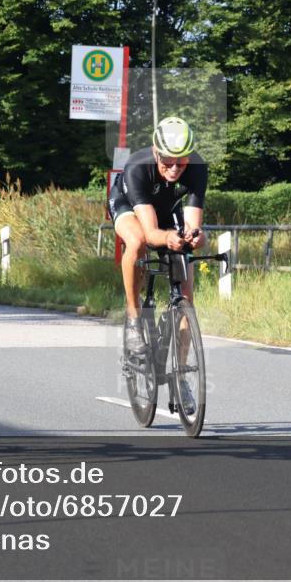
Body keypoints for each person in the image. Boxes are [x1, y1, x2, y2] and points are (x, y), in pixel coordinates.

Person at [108, 117, 207, 410]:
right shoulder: (138, 168)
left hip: (169, 210)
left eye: (182, 162)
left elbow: (193, 223)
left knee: (187, 297)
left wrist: (196, 237)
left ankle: (181, 378)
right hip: (129, 206)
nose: (175, 168)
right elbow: (152, 233)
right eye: (168, 161)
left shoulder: (198, 168)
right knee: (138, 242)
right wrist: (168, 238)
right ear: (155, 152)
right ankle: (135, 317)